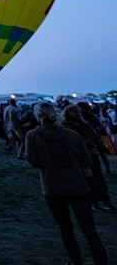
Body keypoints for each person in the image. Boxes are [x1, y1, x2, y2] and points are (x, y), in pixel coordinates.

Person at [27, 103, 108, 265]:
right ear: (54, 115)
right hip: (78, 186)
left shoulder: (33, 135)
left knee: (66, 229)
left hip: (53, 187)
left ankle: (76, 262)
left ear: (37, 116)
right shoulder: (71, 134)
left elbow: (34, 161)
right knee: (89, 231)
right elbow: (87, 160)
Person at [65, 104, 115, 212]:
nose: (78, 113)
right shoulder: (66, 126)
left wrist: (99, 145)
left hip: (91, 152)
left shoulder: (85, 123)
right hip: (78, 154)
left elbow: (93, 135)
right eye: (74, 112)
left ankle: (105, 200)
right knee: (86, 178)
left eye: (78, 111)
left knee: (98, 176)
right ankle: (93, 201)